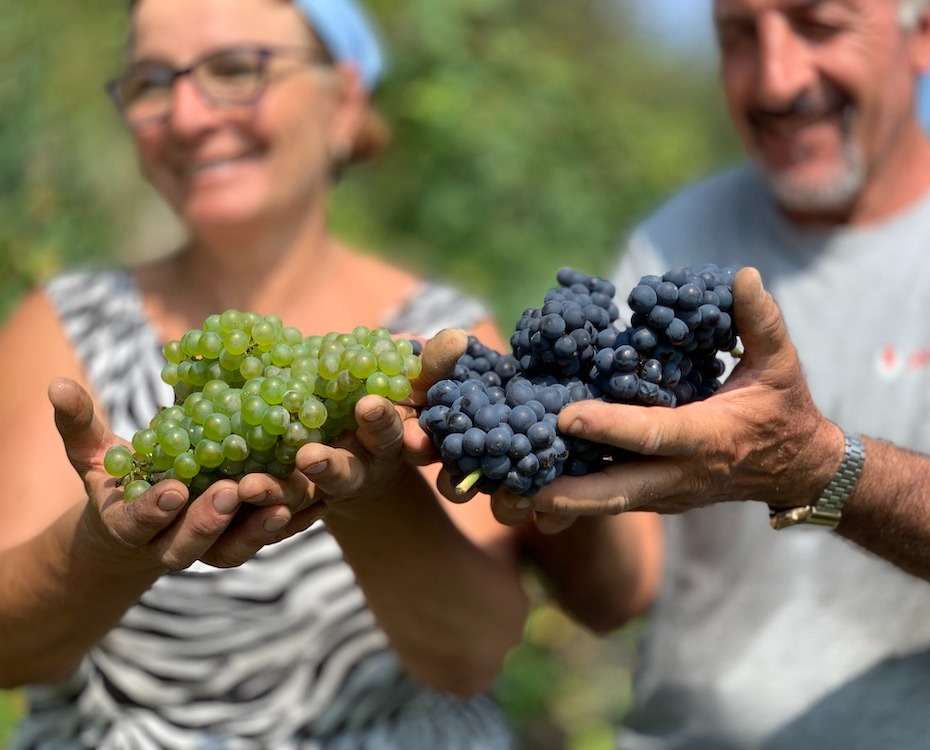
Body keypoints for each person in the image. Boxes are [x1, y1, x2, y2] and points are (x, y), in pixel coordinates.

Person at [0, 1, 532, 747]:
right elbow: (10, 651)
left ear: (344, 103)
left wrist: (376, 500)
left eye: (236, 69)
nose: (186, 115)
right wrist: (100, 554)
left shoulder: (439, 342)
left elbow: (472, 653)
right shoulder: (58, 323)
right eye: (151, 81)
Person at [493, 0, 930, 747]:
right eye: (737, 36)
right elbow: (615, 598)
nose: (775, 79)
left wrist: (819, 471)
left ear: (924, 32)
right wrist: (548, 470)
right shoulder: (673, 241)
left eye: (820, 25)